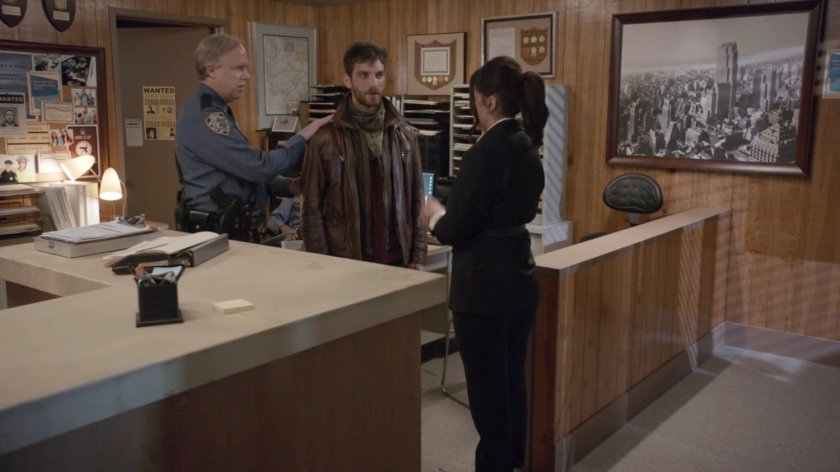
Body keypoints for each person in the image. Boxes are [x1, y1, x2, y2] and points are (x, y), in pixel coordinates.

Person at [419, 56, 548, 472]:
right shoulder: (527, 144)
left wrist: (433, 213)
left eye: (475, 100)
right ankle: (513, 463)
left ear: (490, 101)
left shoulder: (484, 153)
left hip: (483, 288)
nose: (474, 108)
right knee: (511, 382)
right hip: (519, 279)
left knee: (489, 397)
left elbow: (454, 229)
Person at [176, 33, 332, 241]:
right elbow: (260, 167)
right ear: (211, 70)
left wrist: (289, 186)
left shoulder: (218, 110)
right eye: (238, 68)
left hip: (234, 233)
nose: (247, 76)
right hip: (216, 235)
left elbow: (241, 173)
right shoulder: (206, 117)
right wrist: (303, 136)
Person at [300, 41, 425, 268]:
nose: (373, 83)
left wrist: (418, 255)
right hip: (346, 261)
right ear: (348, 80)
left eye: (379, 75)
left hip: (397, 260)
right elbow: (312, 208)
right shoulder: (325, 139)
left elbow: (417, 199)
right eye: (364, 75)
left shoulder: (405, 135)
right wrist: (321, 263)